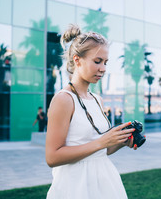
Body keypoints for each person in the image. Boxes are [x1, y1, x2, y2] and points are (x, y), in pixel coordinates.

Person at [45, 25, 136, 199]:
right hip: (74, 188)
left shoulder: (97, 99)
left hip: (105, 184)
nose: (103, 68)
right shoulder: (63, 99)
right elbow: (52, 157)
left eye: (105, 62)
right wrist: (102, 142)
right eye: (97, 61)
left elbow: (103, 150)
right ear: (77, 60)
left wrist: (121, 141)